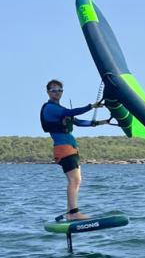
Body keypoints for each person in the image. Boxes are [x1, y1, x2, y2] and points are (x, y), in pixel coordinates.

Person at [40, 79, 110, 221]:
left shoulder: (61, 110)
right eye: (54, 90)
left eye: (60, 90)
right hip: (64, 150)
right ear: (48, 92)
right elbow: (71, 111)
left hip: (70, 149)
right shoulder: (50, 108)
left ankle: (70, 212)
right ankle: (73, 213)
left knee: (75, 181)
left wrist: (103, 122)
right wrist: (91, 106)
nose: (57, 92)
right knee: (75, 181)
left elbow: (78, 122)